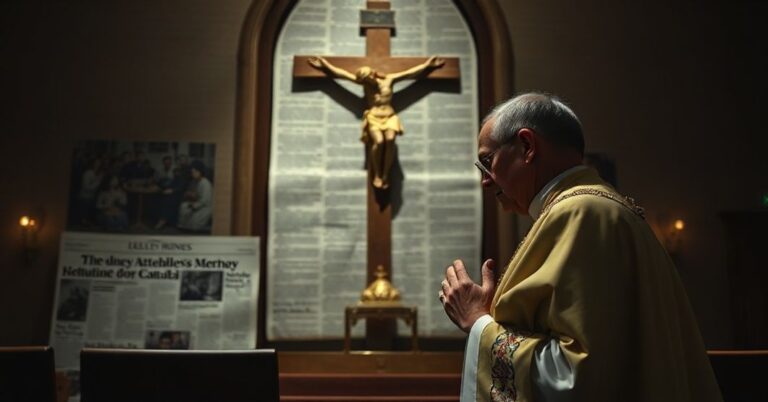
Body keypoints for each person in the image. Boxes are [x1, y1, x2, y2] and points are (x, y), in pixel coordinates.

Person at [439, 93, 722, 401]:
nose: (485, 181)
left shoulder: (579, 214)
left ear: (527, 147)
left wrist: (478, 322)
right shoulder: (600, 207)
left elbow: (575, 377)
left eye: (487, 162)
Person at [308, 55, 445, 189]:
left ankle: (384, 175)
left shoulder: (389, 80)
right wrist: (325, 65)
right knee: (379, 142)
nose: (369, 80)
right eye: (366, 79)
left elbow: (408, 73)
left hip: (390, 116)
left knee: (390, 139)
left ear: (373, 73)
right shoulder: (364, 83)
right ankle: (377, 174)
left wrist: (427, 65)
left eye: (370, 77)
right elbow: (342, 74)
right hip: (373, 117)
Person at [177, 161, 212, 231]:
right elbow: (198, 195)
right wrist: (192, 195)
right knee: (183, 206)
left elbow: (205, 200)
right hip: (200, 204)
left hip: (205, 208)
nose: (192, 174)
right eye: (192, 172)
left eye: (194, 172)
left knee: (194, 224)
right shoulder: (199, 182)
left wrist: (194, 205)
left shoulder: (205, 183)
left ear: (199, 172)